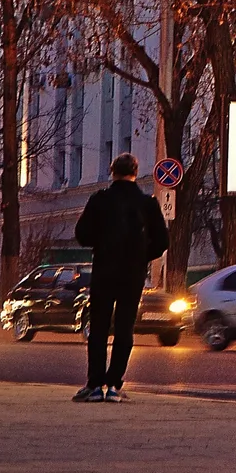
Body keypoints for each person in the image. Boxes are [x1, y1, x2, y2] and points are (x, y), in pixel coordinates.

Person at [73, 152, 169, 403]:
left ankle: (94, 384)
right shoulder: (147, 203)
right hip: (132, 274)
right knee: (125, 327)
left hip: (104, 270)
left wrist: (102, 244)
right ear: (135, 172)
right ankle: (114, 384)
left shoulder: (100, 200)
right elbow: (162, 241)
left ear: (112, 171)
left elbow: (82, 234)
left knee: (100, 327)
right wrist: (141, 255)